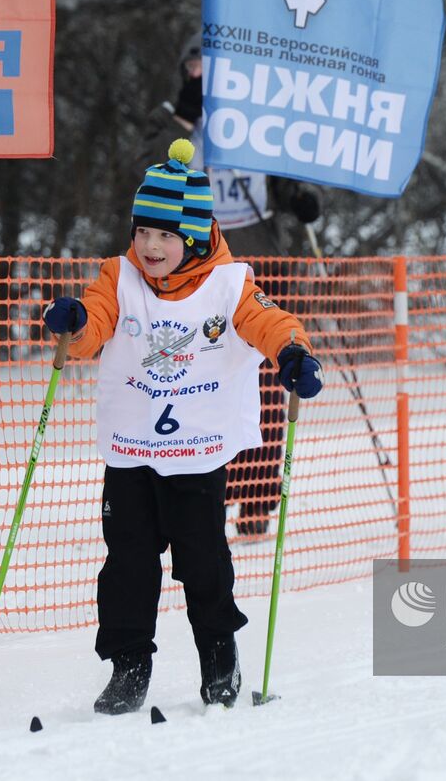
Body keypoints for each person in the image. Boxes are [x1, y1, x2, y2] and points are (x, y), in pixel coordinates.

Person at [41, 139, 324, 714]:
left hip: (197, 452)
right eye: (144, 230)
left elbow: (269, 322)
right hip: (131, 448)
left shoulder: (229, 283)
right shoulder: (118, 278)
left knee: (202, 560)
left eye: (165, 235)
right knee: (127, 562)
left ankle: (219, 653)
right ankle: (129, 665)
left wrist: (293, 352)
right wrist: (74, 324)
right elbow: (96, 322)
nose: (150, 245)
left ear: (192, 237)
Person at [157, 33, 323, 538]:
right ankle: (207, 489)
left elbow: (288, 174)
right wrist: (182, 117)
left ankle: (257, 496)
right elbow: (146, 170)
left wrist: (302, 199)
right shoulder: (177, 126)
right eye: (194, 68)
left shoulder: (258, 123)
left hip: (261, 260)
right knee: (198, 380)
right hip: (198, 271)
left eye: (210, 69)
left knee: (266, 386)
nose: (201, 78)